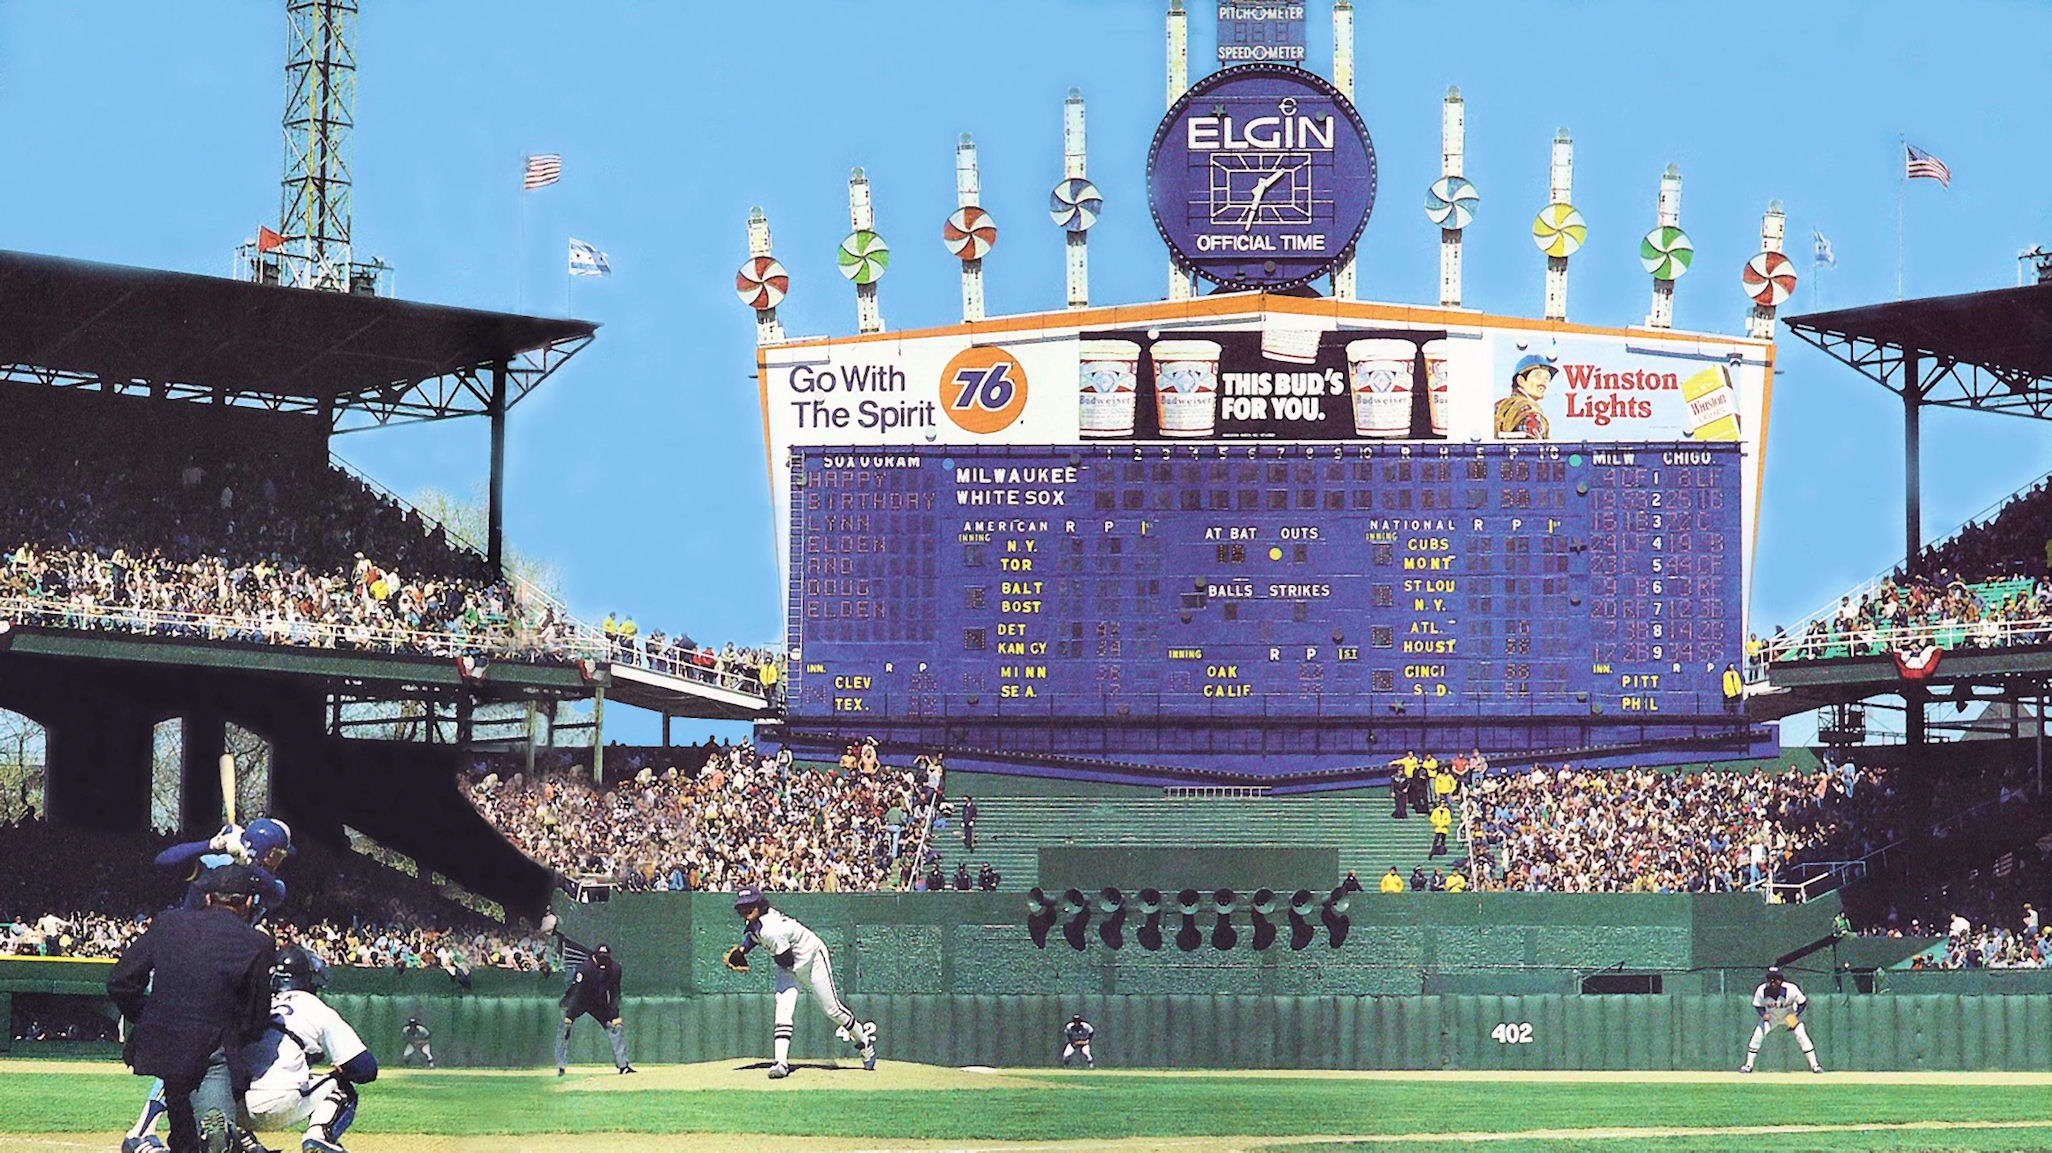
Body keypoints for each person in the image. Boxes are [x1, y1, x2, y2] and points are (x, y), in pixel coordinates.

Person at [125, 819, 293, 1151]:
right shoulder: (216, 868)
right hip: (186, 966)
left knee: (201, 1054)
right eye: (280, 854)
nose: (282, 861)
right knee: (199, 1050)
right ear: (270, 851)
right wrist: (212, 844)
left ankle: (212, 1126)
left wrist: (245, 862)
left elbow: (275, 892)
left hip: (223, 968)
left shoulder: (259, 880)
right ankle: (159, 1125)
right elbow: (164, 861)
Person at [725, 886, 876, 1078]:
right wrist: (743, 950)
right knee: (783, 1007)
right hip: (789, 966)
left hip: (812, 959)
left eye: (750, 905)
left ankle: (863, 1041)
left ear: (759, 904)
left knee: (833, 1009)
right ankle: (780, 1063)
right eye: (742, 907)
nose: (746, 910)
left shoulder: (772, 929)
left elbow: (785, 958)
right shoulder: (759, 922)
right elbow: (754, 936)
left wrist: (744, 952)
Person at [240, 945, 377, 1153]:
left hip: (235, 1106)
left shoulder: (254, 1003)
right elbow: (365, 1069)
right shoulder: (312, 1006)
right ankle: (319, 1137)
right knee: (343, 1087)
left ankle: (242, 1143)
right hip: (279, 1102)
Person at [557, 944, 634, 1076]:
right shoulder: (585, 968)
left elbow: (615, 993)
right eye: (600, 957)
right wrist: (569, 1015)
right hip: (579, 1001)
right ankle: (561, 1066)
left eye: (605, 957)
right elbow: (577, 992)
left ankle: (623, 1066)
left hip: (598, 1003)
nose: (603, 960)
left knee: (615, 1027)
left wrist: (614, 1015)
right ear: (595, 956)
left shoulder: (614, 969)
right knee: (564, 1026)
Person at [1739, 966, 1822, 1074]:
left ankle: (1815, 1066)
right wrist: (1763, 1014)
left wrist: (1796, 1015)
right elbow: (1757, 1005)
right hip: (1771, 1016)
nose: (1772, 981)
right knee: (1757, 1036)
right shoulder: (1762, 990)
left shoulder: (1791, 989)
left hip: (1789, 1016)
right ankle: (1748, 1065)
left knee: (1801, 1036)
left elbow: (1803, 1002)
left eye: (1775, 978)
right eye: (1770, 978)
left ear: (1781, 979)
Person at [1494, 354, 1555, 440]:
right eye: (1538, 375)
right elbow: (1532, 448)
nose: (1543, 382)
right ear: (1521, 381)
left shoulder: (1499, 405)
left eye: (1547, 378)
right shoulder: (1529, 411)